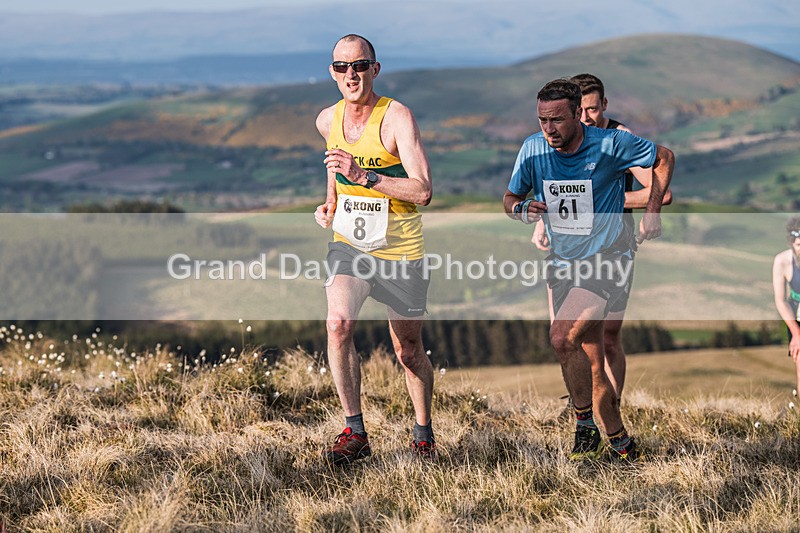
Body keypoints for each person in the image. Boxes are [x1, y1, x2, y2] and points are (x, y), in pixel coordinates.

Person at [504, 79, 674, 461]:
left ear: (578, 115)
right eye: (542, 120)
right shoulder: (532, 149)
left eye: (558, 120)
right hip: (564, 262)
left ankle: (583, 427)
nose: (549, 128)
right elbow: (511, 197)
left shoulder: (611, 144)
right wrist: (522, 210)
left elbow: (664, 157)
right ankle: (621, 444)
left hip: (609, 258)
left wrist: (652, 213)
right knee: (589, 357)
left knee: (562, 336)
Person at [314, 34, 435, 465]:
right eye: (342, 67)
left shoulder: (396, 117)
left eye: (360, 65)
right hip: (351, 244)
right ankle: (355, 430)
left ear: (375, 69)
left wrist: (364, 177)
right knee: (339, 323)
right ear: (332, 72)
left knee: (407, 350)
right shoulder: (327, 120)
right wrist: (330, 202)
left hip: (400, 248)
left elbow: (423, 191)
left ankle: (423, 433)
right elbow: (334, 164)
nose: (351, 74)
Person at [532, 73, 673, 404]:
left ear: (602, 105)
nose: (586, 117)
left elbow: (659, 189)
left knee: (608, 337)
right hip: (568, 246)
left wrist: (610, 200)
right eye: (582, 111)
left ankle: (611, 405)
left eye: (593, 109)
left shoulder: (616, 137)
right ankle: (584, 404)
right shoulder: (564, 140)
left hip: (613, 245)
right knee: (568, 334)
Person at [772, 216, 800, 393]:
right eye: (798, 245)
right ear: (791, 243)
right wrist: (796, 334)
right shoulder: (782, 261)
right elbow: (780, 300)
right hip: (797, 320)